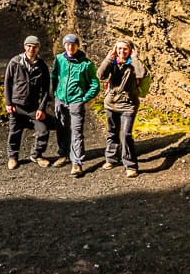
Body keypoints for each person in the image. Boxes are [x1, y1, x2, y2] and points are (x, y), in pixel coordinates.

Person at [50, 33, 99, 177]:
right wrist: (55, 92)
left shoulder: (86, 64)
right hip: (61, 100)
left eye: (73, 44)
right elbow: (54, 75)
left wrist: (84, 98)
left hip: (76, 101)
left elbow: (95, 84)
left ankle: (77, 163)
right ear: (64, 46)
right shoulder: (59, 59)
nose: (70, 47)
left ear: (77, 46)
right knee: (62, 128)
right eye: (68, 44)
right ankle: (63, 154)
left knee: (76, 132)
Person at [97, 37, 147, 178]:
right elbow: (100, 75)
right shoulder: (112, 63)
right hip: (111, 103)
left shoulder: (134, 65)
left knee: (126, 135)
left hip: (128, 104)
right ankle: (111, 158)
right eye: (119, 48)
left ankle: (130, 165)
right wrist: (108, 58)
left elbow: (142, 74)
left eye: (125, 49)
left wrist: (135, 59)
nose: (122, 51)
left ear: (130, 50)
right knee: (112, 131)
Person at [3, 35, 51, 169]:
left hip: (34, 107)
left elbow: (46, 90)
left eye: (34, 47)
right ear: (25, 47)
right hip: (16, 105)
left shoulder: (42, 66)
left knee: (43, 130)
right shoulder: (15, 62)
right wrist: (8, 103)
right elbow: (7, 83)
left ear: (38, 49)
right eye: (29, 46)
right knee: (14, 132)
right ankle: (13, 157)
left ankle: (36, 155)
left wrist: (41, 108)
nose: (31, 49)